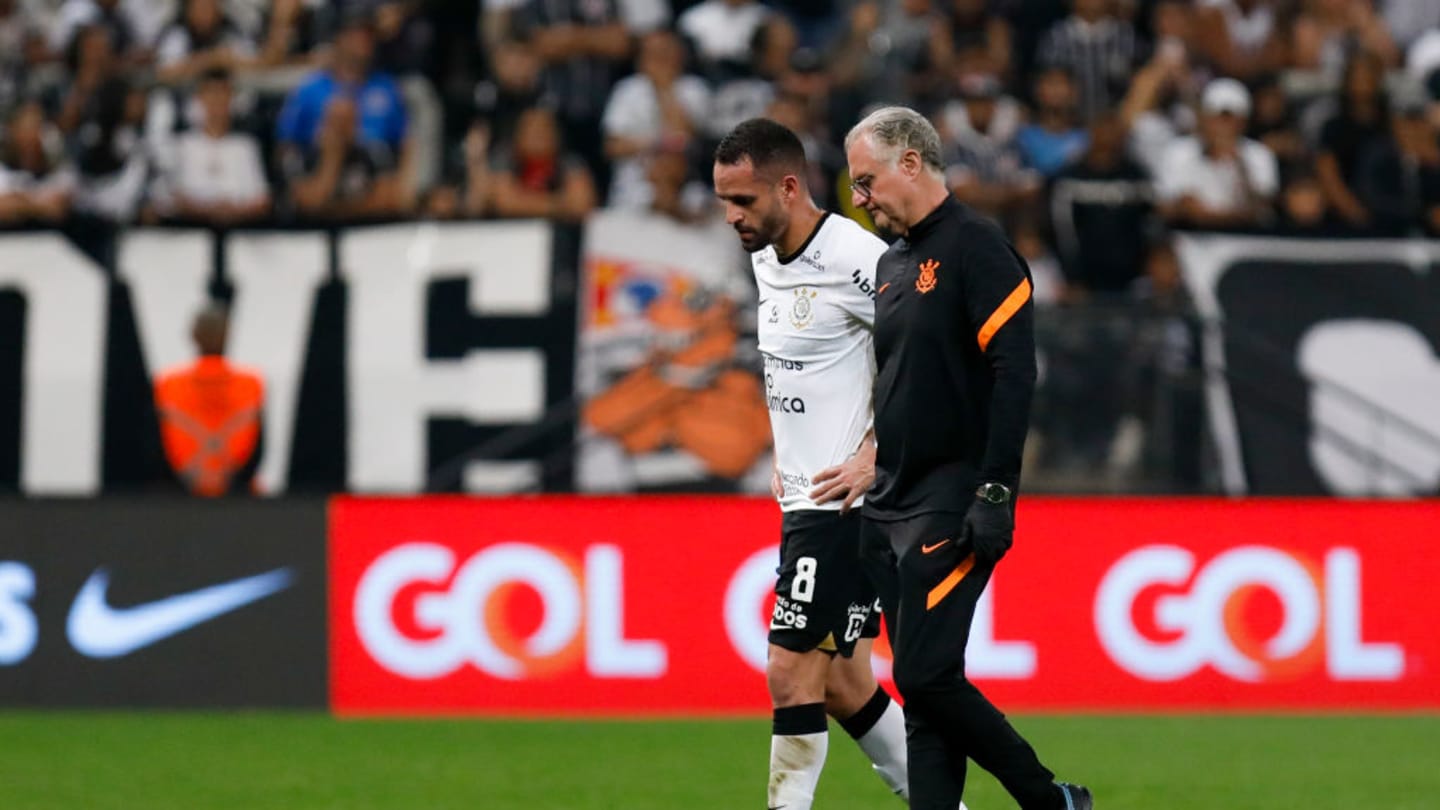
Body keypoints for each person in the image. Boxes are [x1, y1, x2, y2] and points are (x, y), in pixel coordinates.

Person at [844, 106, 1091, 810]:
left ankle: (1049, 800)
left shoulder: (979, 247)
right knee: (926, 695)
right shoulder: (893, 264)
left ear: (912, 163)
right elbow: (893, 385)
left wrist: (995, 492)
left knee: (922, 677)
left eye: (867, 181)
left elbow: (1015, 375)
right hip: (890, 500)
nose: (860, 198)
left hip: (950, 497)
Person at [714, 118, 957, 810]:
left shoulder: (860, 256)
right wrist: (783, 449)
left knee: (790, 674)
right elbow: (802, 366)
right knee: (848, 682)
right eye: (724, 201)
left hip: (842, 510)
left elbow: (928, 362)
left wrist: (875, 454)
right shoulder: (766, 256)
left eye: (744, 201)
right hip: (803, 496)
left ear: (789, 188)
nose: (732, 217)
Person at [153, 305, 265, 497]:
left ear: (193, 336)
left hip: (179, 496)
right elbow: (257, 450)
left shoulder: (167, 385)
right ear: (228, 335)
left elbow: (157, 448)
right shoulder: (251, 384)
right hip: (239, 496)